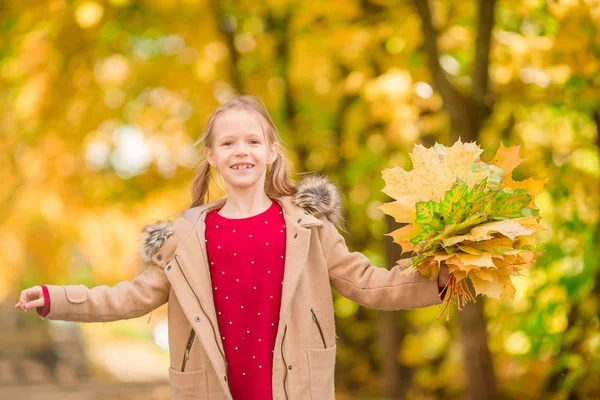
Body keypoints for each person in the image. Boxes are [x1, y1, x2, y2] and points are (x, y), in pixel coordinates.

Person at [15, 95, 449, 400]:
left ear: (271, 151)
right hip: (210, 387)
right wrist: (58, 298)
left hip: (296, 388)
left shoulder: (306, 226)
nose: (241, 151)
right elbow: (131, 297)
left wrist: (441, 280)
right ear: (211, 154)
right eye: (228, 143)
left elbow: (368, 284)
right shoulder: (184, 236)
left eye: (252, 141)